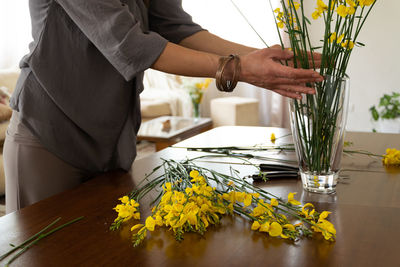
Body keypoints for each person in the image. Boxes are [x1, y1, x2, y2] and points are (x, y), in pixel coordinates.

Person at [4, 0, 322, 213]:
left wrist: (268, 59)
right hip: (50, 136)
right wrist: (240, 69)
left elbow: (176, 28)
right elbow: (129, 44)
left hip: (114, 141)